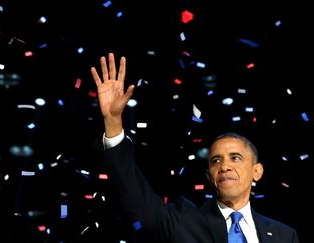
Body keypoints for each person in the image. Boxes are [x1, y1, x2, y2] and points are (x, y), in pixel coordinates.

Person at [90, 52, 300, 242]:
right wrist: (113, 121)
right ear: (209, 176)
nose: (224, 166)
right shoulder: (182, 221)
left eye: (235, 158)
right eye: (216, 160)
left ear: (257, 171)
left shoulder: (284, 236)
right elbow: (132, 191)